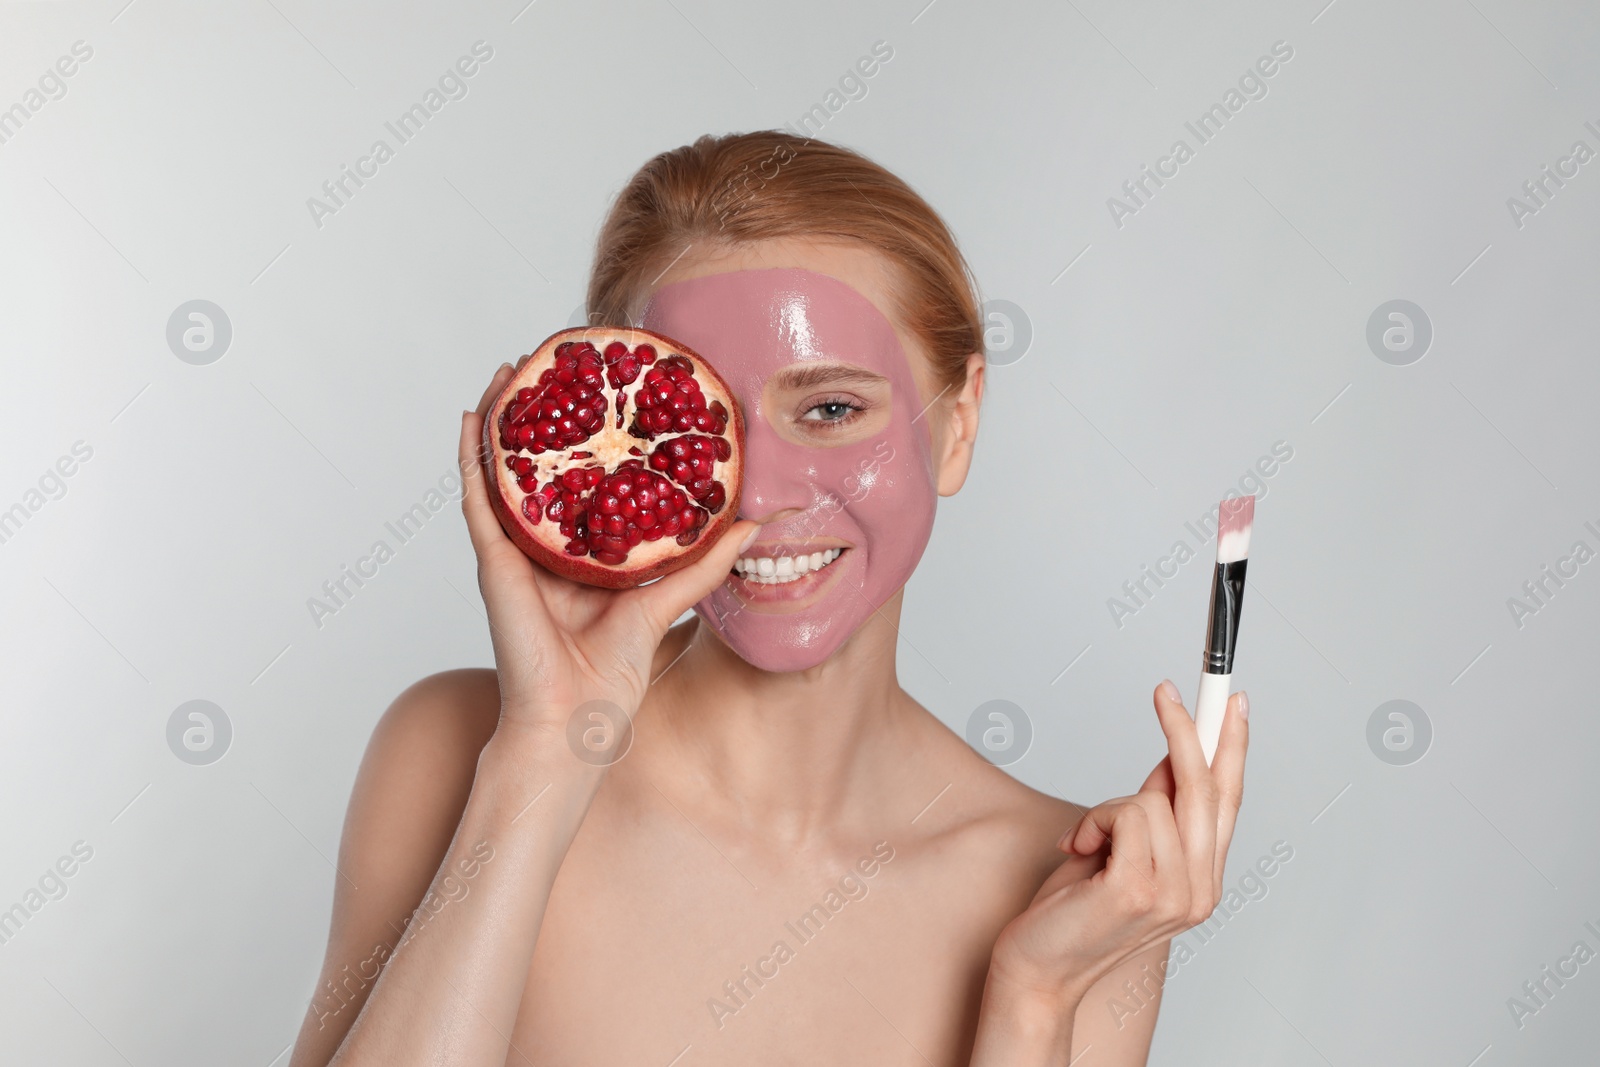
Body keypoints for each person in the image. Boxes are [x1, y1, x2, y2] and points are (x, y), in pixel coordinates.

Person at [290, 131, 1249, 1067]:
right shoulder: (456, 753)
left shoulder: (1081, 891)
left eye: (831, 410)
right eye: (689, 427)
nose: (755, 495)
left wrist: (1035, 1001)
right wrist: (545, 758)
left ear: (957, 426)